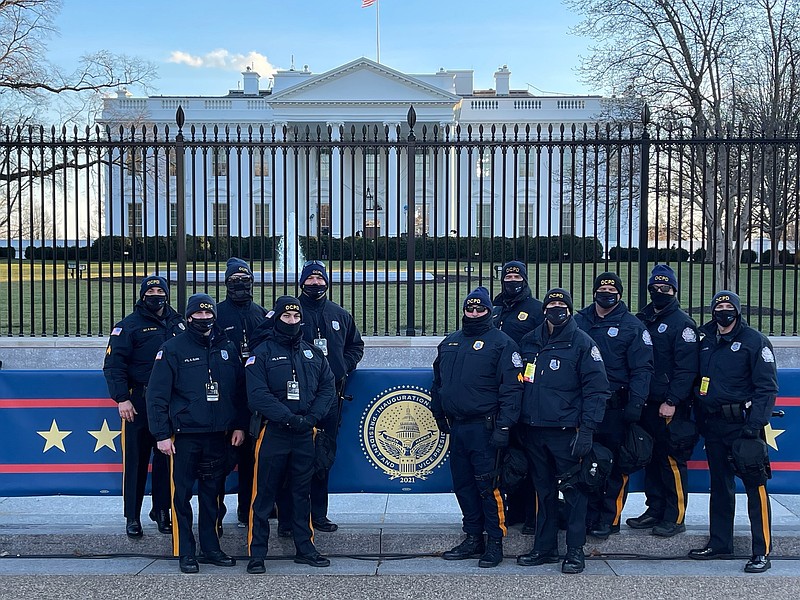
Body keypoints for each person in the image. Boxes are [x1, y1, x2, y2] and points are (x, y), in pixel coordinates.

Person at [146, 294, 247, 574]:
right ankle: (186, 552)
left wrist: (239, 424)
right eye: (197, 315)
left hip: (219, 434)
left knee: (213, 495)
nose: (204, 318)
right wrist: (161, 434)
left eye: (208, 313)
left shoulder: (227, 346)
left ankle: (211, 548)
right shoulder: (172, 349)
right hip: (184, 436)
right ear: (188, 317)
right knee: (181, 496)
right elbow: (156, 395)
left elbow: (239, 390)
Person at [516, 288, 609, 574]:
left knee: (573, 492)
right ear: (544, 309)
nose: (556, 308)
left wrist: (587, 430)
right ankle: (544, 548)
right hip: (533, 429)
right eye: (551, 304)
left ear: (569, 309)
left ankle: (574, 551)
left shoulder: (582, 343)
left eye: (561, 304)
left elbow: (597, 389)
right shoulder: (530, 340)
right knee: (542, 492)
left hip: (567, 431)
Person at [431, 287, 522, 568]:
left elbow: (512, 389)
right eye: (469, 310)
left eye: (479, 310)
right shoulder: (450, 342)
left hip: (487, 428)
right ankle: (472, 537)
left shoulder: (502, 343)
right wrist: (438, 414)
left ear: (489, 312)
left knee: (488, 487)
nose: (474, 314)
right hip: (458, 427)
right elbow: (439, 383)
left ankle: (494, 541)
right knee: (463, 485)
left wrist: (504, 427)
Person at [244, 296, 337, 574]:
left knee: (301, 494)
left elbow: (327, 388)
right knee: (263, 495)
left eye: (296, 318)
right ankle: (257, 553)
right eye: (287, 317)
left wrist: (310, 419)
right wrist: (288, 418)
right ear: (277, 319)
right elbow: (257, 395)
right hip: (273, 432)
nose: (292, 322)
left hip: (305, 433)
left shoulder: (313, 354)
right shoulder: (261, 354)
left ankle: (305, 548)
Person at [689, 290, 778, 573]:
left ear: (737, 311)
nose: (723, 311)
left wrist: (754, 426)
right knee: (720, 487)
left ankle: (761, 551)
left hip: (744, 426)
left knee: (755, 488)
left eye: (729, 307)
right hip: (714, 425)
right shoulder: (705, 341)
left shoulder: (755, 342)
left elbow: (767, 388)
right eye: (719, 306)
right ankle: (720, 543)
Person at [276, 260, 364, 535]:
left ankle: (319, 514)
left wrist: (342, 367)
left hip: (330, 398)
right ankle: (288, 519)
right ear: (302, 282)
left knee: (322, 456)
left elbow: (355, 346)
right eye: (310, 279)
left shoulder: (340, 314)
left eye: (319, 278)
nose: (315, 283)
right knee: (291, 458)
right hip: (294, 400)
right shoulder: (290, 313)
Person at [103, 275, 184, 538]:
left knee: (165, 461)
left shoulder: (179, 323)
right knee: (136, 462)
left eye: (160, 290)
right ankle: (132, 516)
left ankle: (161, 511)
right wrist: (121, 399)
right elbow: (114, 366)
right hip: (138, 402)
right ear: (142, 295)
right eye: (151, 291)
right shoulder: (128, 326)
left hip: (170, 404)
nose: (156, 295)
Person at [575, 272, 653, 539]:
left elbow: (643, 369)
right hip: (584, 406)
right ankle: (587, 516)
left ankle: (610, 518)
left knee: (615, 467)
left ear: (620, 294)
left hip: (617, 407)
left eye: (612, 288)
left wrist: (636, 403)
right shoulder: (579, 321)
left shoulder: (632, 326)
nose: (606, 292)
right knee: (587, 463)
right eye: (602, 287)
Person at [632, 264, 699, 537]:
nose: (660, 292)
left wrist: (672, 400)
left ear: (674, 290)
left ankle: (675, 515)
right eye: (655, 288)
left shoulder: (682, 324)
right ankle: (655, 508)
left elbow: (687, 368)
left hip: (669, 405)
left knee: (671, 460)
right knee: (652, 457)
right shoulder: (644, 318)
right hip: (647, 402)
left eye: (665, 288)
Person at [215, 257, 269, 531]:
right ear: (226, 283)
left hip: (253, 398)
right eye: (235, 280)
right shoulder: (215, 313)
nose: (240, 285)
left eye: (245, 280)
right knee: (220, 461)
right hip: (224, 398)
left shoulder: (261, 313)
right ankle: (215, 514)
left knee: (252, 459)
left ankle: (247, 509)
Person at [491, 260, 544, 534]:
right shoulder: (495, 307)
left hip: (527, 390)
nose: (512, 280)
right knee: (508, 456)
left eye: (516, 275)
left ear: (524, 278)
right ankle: (512, 509)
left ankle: (533, 515)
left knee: (531, 455)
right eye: (508, 275)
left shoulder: (536, 310)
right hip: (500, 392)